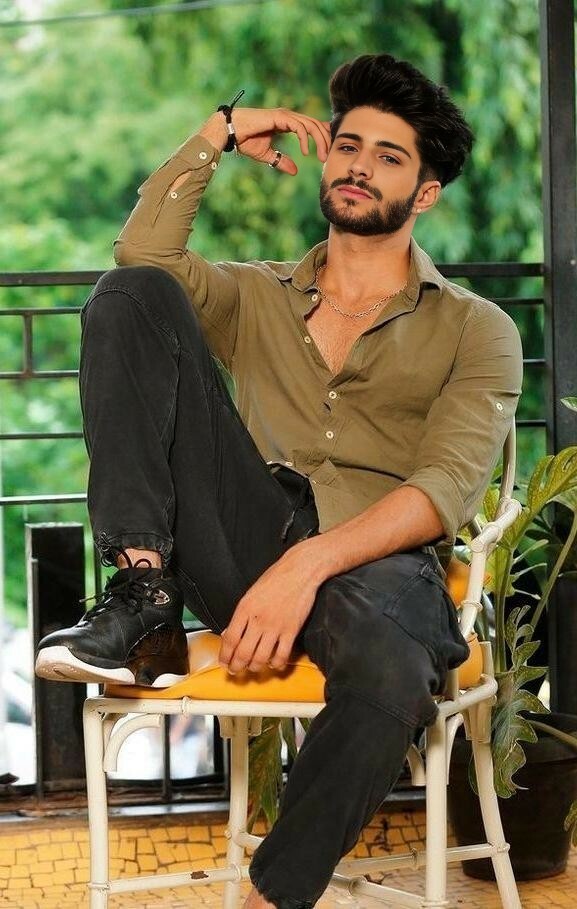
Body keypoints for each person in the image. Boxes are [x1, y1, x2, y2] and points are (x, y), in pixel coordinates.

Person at [35, 54, 523, 909]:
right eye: (348, 145)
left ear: (424, 193)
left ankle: (273, 898)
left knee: (389, 672)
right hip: (244, 540)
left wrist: (307, 564)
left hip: (380, 566)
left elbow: (441, 488)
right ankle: (144, 591)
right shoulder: (255, 294)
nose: (358, 165)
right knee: (130, 292)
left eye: (388, 156)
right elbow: (142, 256)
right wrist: (217, 135)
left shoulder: (475, 328)